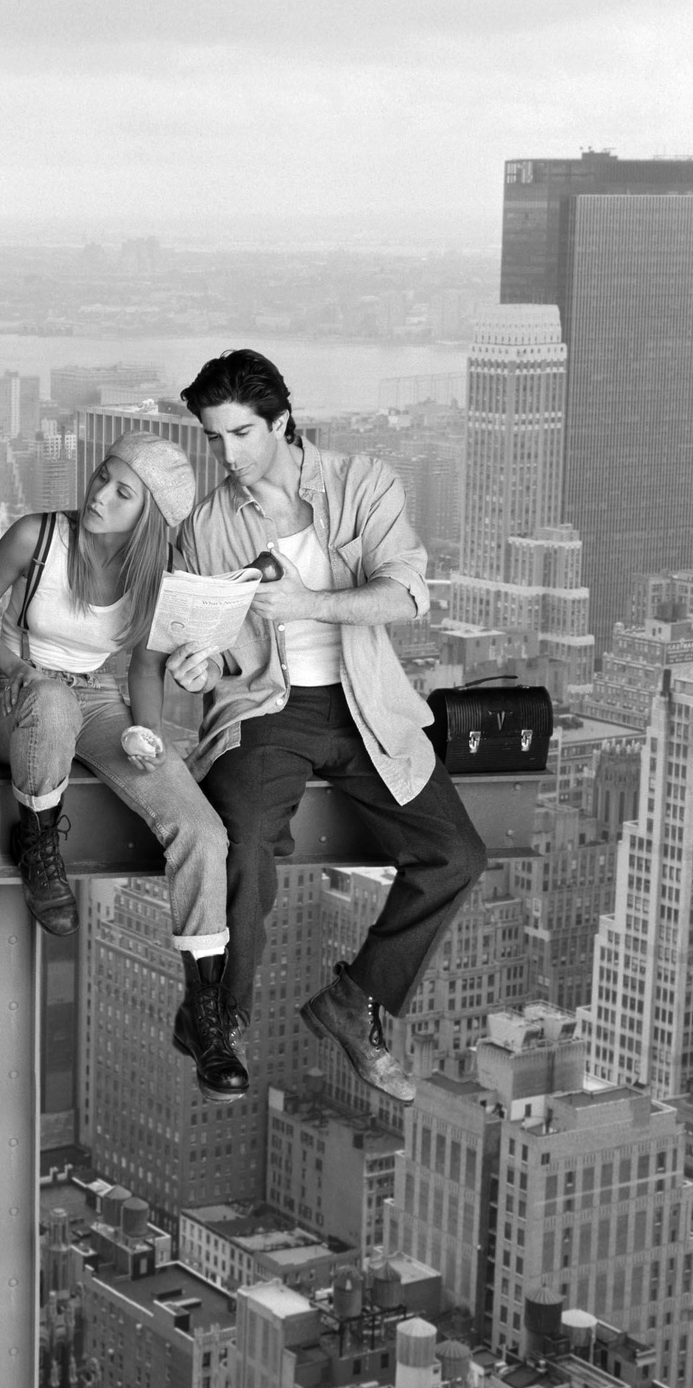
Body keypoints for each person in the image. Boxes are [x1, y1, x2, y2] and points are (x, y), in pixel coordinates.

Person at [168, 349, 488, 1101]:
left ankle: (355, 999)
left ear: (282, 421)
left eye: (242, 433)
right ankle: (219, 1019)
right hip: (266, 709)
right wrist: (199, 667)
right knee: (244, 836)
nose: (229, 455)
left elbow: (407, 594)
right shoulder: (207, 525)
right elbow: (213, 648)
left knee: (457, 855)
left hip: (366, 701)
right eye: (214, 438)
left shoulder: (362, 483)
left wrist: (309, 603)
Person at [0, 433, 245, 1098]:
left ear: (149, 515)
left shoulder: (156, 576)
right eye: (102, 478)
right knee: (51, 702)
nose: (99, 495)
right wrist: (13, 668)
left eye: (123, 492)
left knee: (201, 829)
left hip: (98, 699)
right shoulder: (37, 537)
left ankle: (204, 1010)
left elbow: (145, 668)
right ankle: (38, 843)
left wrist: (146, 731)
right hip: (21, 692)